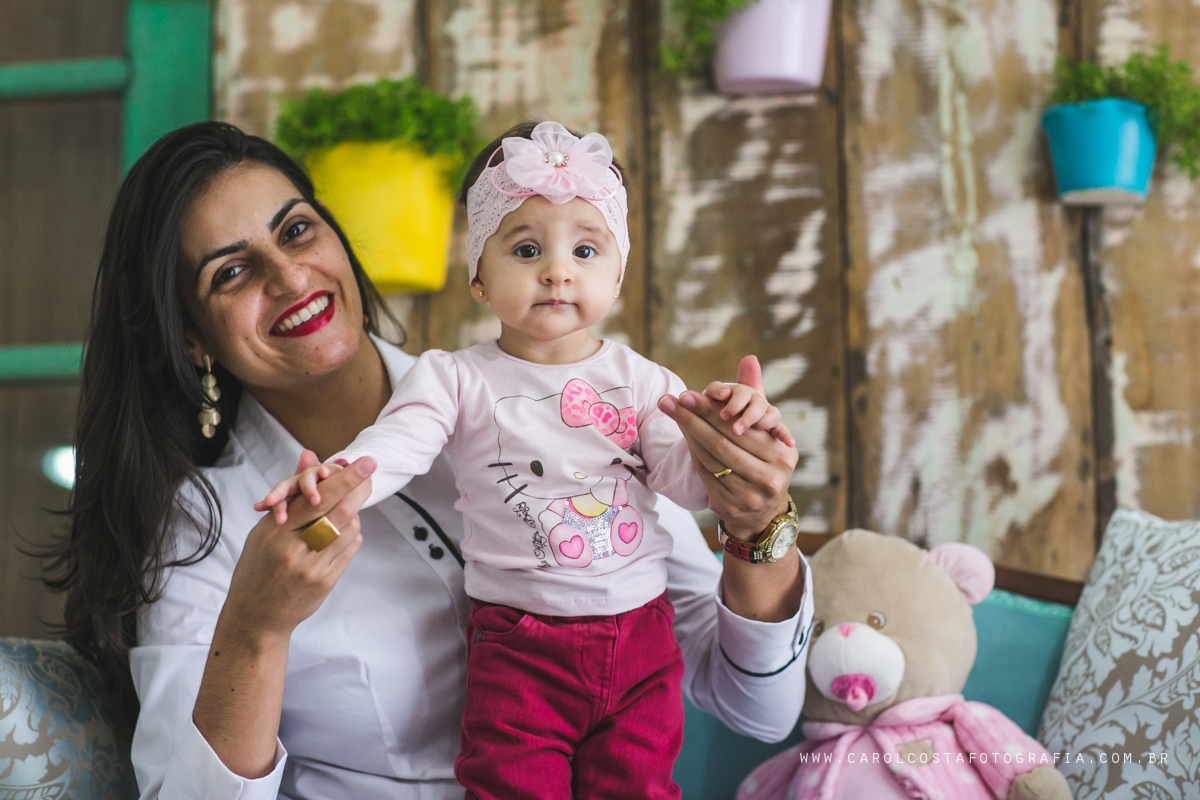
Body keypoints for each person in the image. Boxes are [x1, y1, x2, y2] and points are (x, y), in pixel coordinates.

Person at [46, 121, 813, 800]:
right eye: (232, 272)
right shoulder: (201, 528)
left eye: (298, 231)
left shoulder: (566, 399)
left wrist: (755, 522)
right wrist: (256, 632)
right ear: (191, 337)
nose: (289, 277)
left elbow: (759, 709)